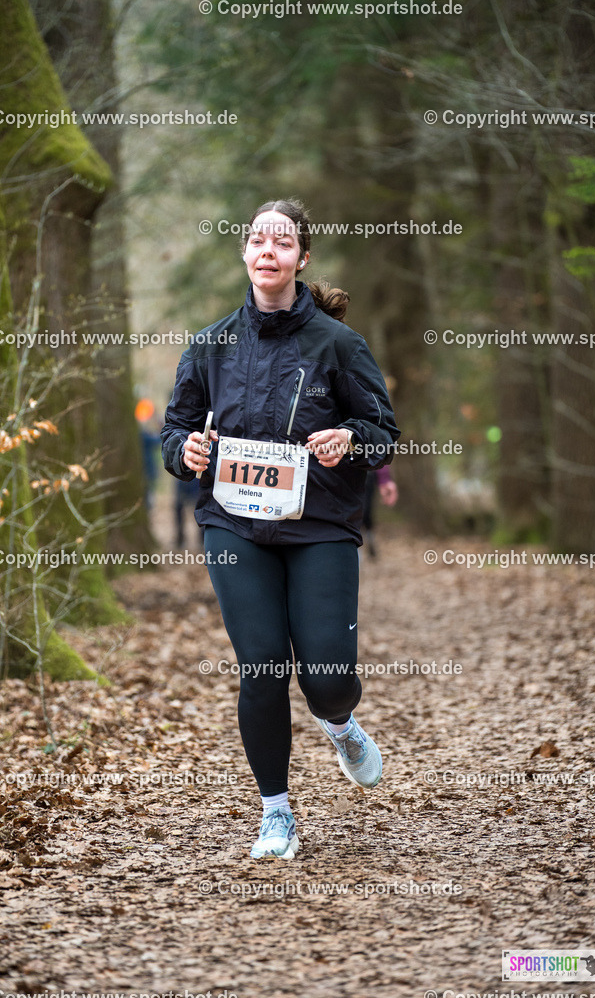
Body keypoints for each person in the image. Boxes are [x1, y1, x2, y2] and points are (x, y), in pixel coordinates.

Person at [161, 199, 399, 859]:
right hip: (234, 526)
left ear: (301, 257)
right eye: (258, 240)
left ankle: (340, 723)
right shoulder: (210, 345)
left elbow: (382, 434)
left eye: (283, 242)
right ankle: (276, 814)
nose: (268, 251)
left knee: (326, 676)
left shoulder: (339, 345)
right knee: (262, 664)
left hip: (320, 525)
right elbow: (176, 430)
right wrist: (186, 452)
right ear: (244, 252)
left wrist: (348, 439)